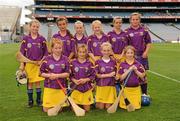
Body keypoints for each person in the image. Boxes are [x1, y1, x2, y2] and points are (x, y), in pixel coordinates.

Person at [19, 19, 48, 107]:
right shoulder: (25, 39)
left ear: (39, 28)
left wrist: (41, 61)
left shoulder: (42, 39)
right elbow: (21, 54)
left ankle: (39, 101)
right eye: (33, 26)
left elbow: (46, 53)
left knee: (38, 83)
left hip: (38, 64)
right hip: (29, 65)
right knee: (30, 83)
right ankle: (30, 101)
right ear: (30, 27)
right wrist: (22, 66)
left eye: (37, 27)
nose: (35, 28)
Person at [40, 38, 70, 113]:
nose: (58, 50)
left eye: (59, 48)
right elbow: (41, 73)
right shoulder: (47, 59)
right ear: (52, 49)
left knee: (58, 110)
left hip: (61, 87)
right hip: (49, 87)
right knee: (46, 110)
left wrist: (57, 76)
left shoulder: (65, 59)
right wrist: (49, 75)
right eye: (56, 48)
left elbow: (67, 73)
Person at [125, 12, 151, 95]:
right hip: (131, 57)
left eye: (137, 19)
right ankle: (132, 93)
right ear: (130, 20)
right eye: (133, 19)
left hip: (142, 56)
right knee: (131, 75)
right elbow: (126, 46)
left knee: (143, 75)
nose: (135, 21)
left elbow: (149, 42)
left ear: (139, 20)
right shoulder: (126, 31)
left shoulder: (144, 30)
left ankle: (144, 94)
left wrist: (146, 52)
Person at [118, 45, 145, 110]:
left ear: (134, 54)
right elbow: (121, 78)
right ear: (125, 54)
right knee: (124, 107)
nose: (130, 55)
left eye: (131, 53)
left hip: (135, 89)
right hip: (125, 90)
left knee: (136, 107)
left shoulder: (138, 64)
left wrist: (136, 70)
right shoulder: (122, 64)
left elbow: (142, 76)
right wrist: (129, 70)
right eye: (128, 53)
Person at [70, 44, 95, 111]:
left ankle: (92, 99)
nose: (82, 54)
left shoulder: (90, 63)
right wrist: (74, 80)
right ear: (77, 52)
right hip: (75, 88)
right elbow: (70, 75)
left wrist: (86, 79)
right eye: (80, 52)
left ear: (86, 53)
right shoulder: (72, 63)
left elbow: (93, 76)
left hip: (86, 88)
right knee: (74, 110)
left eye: (83, 52)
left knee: (87, 110)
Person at [108, 17, 128, 94]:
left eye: (120, 22)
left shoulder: (125, 33)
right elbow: (108, 46)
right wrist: (114, 56)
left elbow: (125, 46)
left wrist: (121, 56)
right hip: (113, 57)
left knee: (122, 74)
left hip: (122, 57)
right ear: (113, 23)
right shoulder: (110, 34)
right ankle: (114, 92)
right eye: (116, 22)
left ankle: (122, 93)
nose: (118, 24)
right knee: (114, 74)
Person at [95, 42, 117, 109]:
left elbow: (115, 74)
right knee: (101, 107)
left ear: (110, 51)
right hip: (101, 86)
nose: (106, 52)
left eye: (108, 50)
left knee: (107, 107)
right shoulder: (98, 62)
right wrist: (109, 75)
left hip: (110, 86)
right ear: (101, 51)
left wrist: (116, 76)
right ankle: (96, 100)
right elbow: (97, 75)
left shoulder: (113, 61)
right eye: (104, 50)